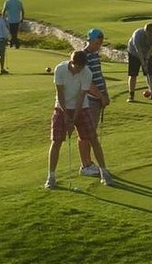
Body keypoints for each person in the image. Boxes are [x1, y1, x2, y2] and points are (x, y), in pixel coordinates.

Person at [46, 49, 112, 189]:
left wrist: (73, 118)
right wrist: (66, 116)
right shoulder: (60, 69)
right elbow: (60, 94)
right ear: (71, 62)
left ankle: (104, 173)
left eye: (82, 67)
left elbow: (82, 96)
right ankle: (51, 177)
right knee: (56, 141)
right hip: (61, 107)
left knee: (93, 139)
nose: (80, 70)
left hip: (81, 108)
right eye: (77, 67)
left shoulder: (87, 72)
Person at [76, 28, 113, 179]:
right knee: (85, 134)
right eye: (97, 42)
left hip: (98, 99)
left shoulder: (95, 55)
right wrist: (100, 96)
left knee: (90, 133)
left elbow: (99, 76)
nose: (99, 45)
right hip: (89, 100)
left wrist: (106, 94)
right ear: (90, 40)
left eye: (101, 43)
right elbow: (87, 82)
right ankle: (85, 165)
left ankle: (89, 164)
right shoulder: (83, 57)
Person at [126, 22, 152, 102]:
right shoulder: (138, 35)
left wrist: (147, 60)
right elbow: (139, 52)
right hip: (133, 53)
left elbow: (151, 49)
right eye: (149, 34)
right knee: (133, 74)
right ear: (146, 32)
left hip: (146, 52)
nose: (151, 36)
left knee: (150, 74)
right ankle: (131, 95)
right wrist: (143, 63)